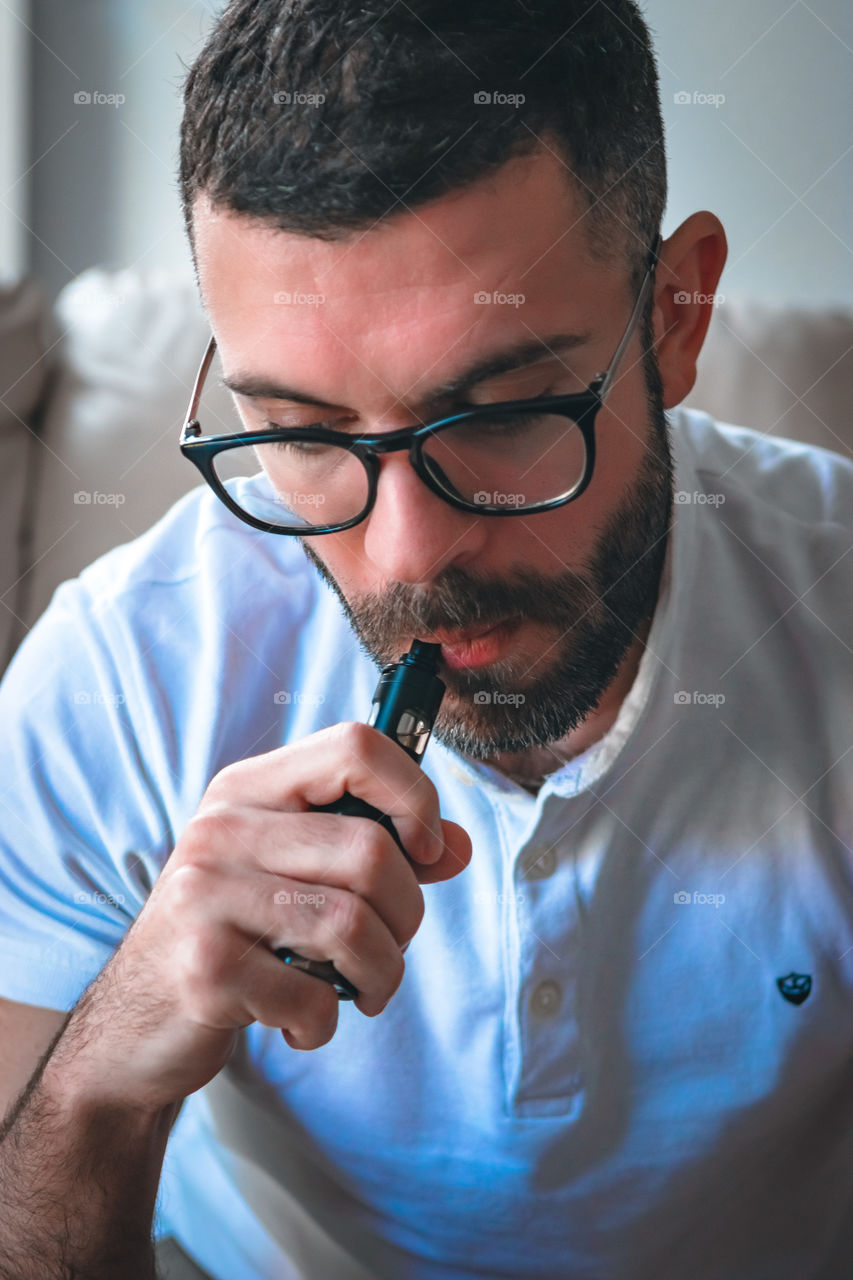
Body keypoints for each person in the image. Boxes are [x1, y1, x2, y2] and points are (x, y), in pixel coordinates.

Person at [0, 1, 851, 1277]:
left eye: (503, 414)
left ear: (674, 315)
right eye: (299, 428)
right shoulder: (116, 677)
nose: (405, 556)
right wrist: (104, 1080)